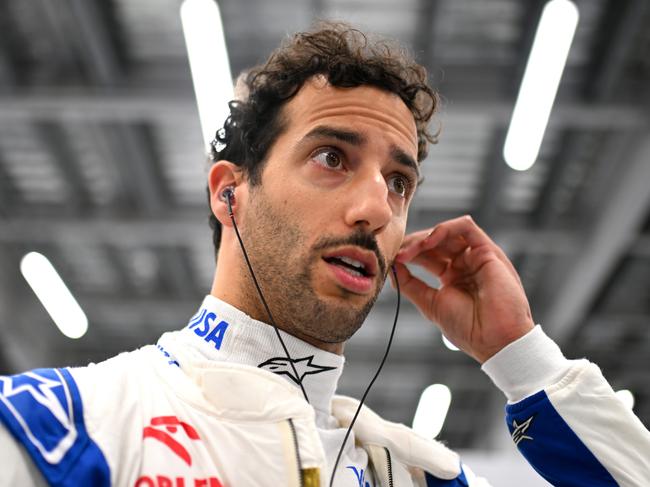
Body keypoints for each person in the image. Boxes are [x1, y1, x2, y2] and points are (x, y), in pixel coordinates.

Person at [1, 21, 649, 487]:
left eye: (398, 182)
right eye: (332, 157)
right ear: (229, 194)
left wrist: (522, 357)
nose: (376, 208)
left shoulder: (415, 472)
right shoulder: (62, 426)